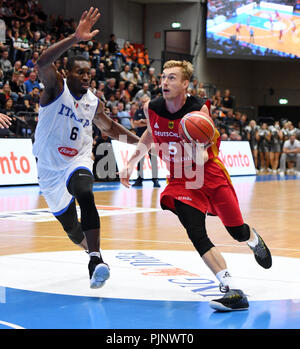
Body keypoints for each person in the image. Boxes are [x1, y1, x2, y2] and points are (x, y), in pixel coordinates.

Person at [119, 60, 272, 312]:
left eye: (172, 78)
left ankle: (253, 239)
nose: (165, 82)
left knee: (236, 232)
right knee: (196, 232)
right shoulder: (152, 107)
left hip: (209, 174)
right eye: (163, 77)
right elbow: (150, 132)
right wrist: (130, 163)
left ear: (185, 83)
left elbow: (201, 155)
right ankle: (231, 289)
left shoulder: (199, 109)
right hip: (181, 181)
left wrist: (182, 152)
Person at [32, 7, 139, 289]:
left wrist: (142, 146)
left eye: (89, 73)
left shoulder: (93, 101)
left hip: (76, 160)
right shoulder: (55, 89)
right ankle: (91, 252)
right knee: (70, 229)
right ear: (66, 73)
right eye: (80, 72)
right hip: (49, 169)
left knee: (85, 192)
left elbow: (111, 128)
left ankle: (95, 259)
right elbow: (43, 62)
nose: (86, 77)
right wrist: (75, 38)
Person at [132, 95, 160, 188]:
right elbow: (135, 124)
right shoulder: (138, 112)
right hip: (140, 139)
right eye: (143, 101)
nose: (144, 103)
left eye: (146, 101)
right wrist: (146, 121)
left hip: (152, 139)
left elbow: (154, 123)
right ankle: (139, 179)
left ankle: (155, 179)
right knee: (140, 160)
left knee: (153, 160)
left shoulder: (153, 111)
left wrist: (142, 121)